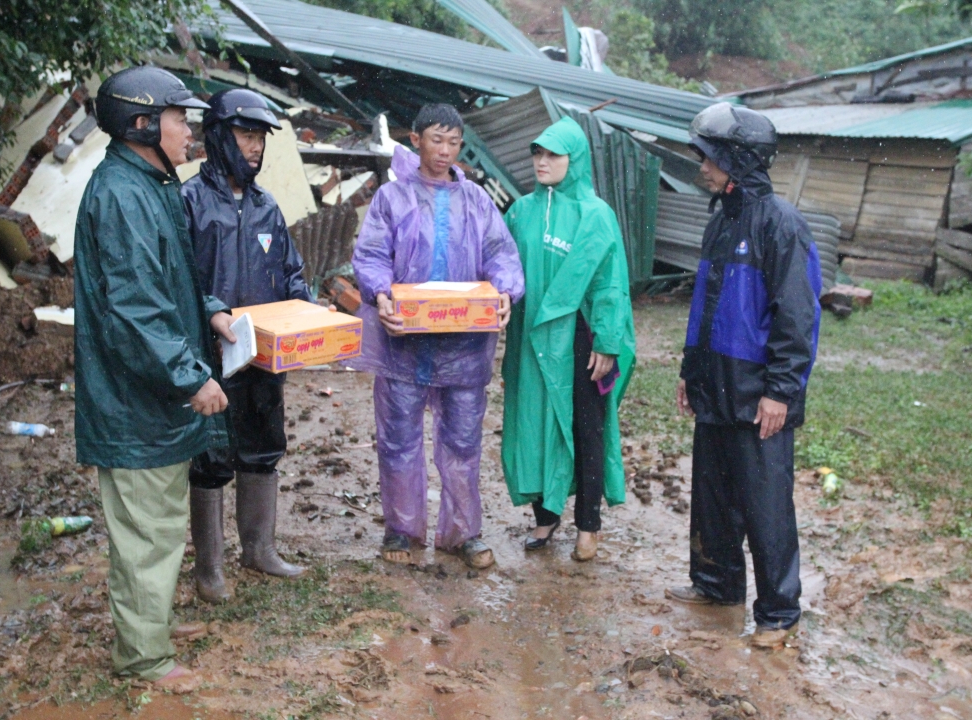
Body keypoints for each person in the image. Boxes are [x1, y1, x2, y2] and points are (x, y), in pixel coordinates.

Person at [74, 66, 233, 690]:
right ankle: (143, 657)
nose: (189, 130)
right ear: (142, 124)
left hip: (149, 393)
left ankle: (153, 622)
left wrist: (211, 309)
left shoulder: (152, 184)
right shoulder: (121, 194)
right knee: (146, 529)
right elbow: (135, 307)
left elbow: (173, 278)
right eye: (180, 118)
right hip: (134, 397)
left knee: (160, 518)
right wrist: (191, 377)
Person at [669, 103, 821, 649]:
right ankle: (717, 584)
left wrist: (782, 390)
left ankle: (779, 612)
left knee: (765, 502)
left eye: (708, 157)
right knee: (712, 493)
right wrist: (691, 371)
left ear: (739, 159)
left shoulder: (781, 224)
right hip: (714, 384)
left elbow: (798, 316)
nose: (700, 167)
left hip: (759, 391)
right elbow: (704, 306)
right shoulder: (719, 219)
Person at [352, 104, 524, 570]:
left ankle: (462, 532)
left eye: (453, 143)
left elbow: (500, 253)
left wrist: (506, 290)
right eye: (436, 140)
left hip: (464, 349)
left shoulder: (476, 201)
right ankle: (402, 531)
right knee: (398, 439)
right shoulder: (392, 199)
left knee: (464, 440)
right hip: (403, 343)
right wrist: (381, 293)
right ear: (415, 139)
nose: (445, 151)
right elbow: (370, 254)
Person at [181, 89, 312, 604]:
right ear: (218, 136)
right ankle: (210, 568)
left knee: (262, 446)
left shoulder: (266, 207)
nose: (254, 147)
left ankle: (259, 548)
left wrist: (307, 313)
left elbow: (292, 273)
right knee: (210, 456)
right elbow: (180, 279)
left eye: (260, 137)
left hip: (262, 358)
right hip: (210, 357)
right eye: (245, 134)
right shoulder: (190, 203)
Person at [501, 117, 636, 562]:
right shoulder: (520, 211)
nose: (542, 162)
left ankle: (588, 524)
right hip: (531, 339)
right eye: (537, 153)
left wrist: (608, 341)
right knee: (536, 422)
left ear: (574, 160)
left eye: (553, 155)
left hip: (581, 338)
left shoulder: (595, 214)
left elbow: (609, 283)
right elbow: (498, 265)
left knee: (586, 427)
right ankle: (545, 515)